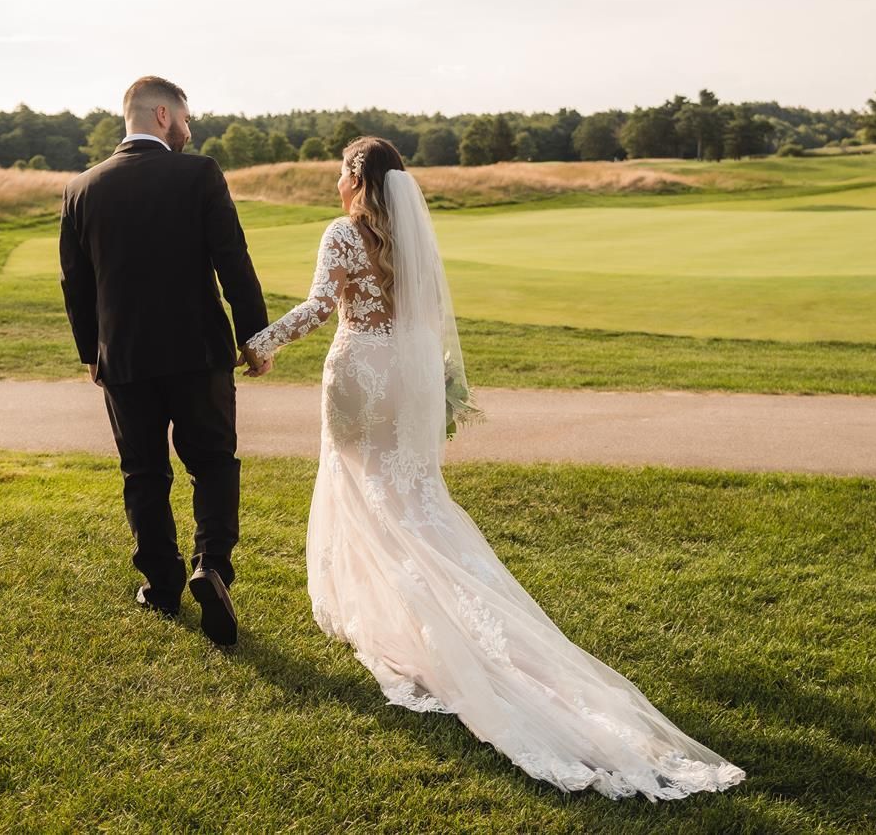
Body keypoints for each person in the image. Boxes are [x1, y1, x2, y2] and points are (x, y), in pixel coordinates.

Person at [244, 136, 745, 801]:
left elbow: (317, 308)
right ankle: (437, 612)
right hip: (411, 375)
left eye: (342, 169)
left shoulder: (343, 232)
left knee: (371, 496)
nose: (336, 180)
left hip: (362, 372)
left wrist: (262, 344)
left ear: (358, 179)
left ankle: (412, 622)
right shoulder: (410, 235)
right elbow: (429, 320)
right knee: (416, 501)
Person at [59, 75, 272, 647]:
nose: (189, 127)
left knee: (144, 472)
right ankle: (212, 569)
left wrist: (91, 354)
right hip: (198, 352)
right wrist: (256, 337)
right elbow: (233, 260)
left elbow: (75, 286)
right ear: (160, 116)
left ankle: (161, 582)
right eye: (184, 116)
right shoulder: (199, 173)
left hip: (123, 359)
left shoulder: (81, 188)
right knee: (214, 463)